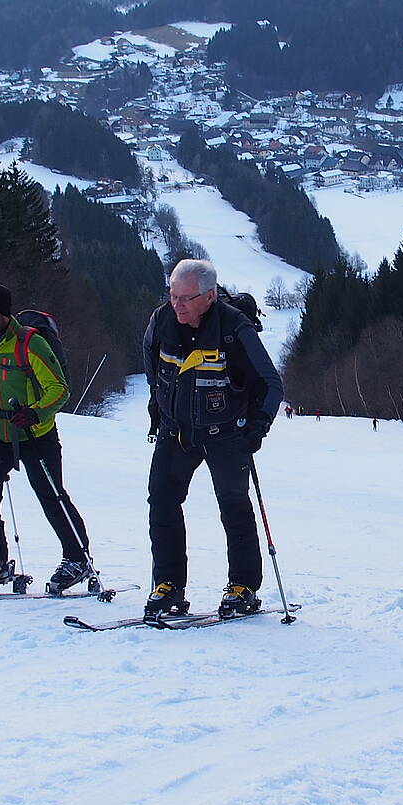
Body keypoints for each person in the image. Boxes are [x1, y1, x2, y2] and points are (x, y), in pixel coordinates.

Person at [143, 259, 284, 619]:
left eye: (185, 298)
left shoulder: (235, 328)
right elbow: (152, 366)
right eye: (173, 296)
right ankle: (168, 585)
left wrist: (258, 427)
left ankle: (244, 587)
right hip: (176, 433)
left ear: (208, 297)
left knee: (233, 506)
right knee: (161, 501)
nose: (177, 305)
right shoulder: (160, 321)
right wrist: (159, 405)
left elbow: (271, 383)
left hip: (226, 434)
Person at [0, 283, 94, 595]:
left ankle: (77, 559)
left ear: (4, 314)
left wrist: (35, 413)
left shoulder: (31, 345)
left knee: (51, 497)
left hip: (37, 434)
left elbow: (60, 389)